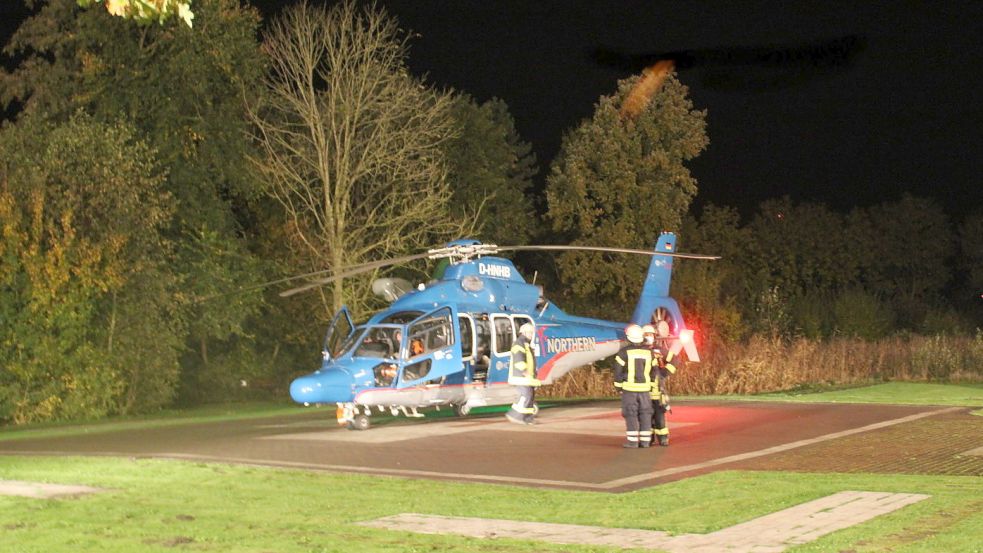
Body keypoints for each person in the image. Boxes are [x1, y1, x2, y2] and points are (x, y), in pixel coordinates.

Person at [613, 324, 654, 448]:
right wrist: (651, 385)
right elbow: (653, 371)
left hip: (630, 390)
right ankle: (645, 441)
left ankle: (633, 441)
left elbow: (618, 371)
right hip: (645, 390)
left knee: (631, 414)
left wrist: (619, 387)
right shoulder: (649, 352)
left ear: (628, 337)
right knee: (646, 413)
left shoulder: (623, 353)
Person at [644, 322, 677, 446]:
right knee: (646, 417)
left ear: (654, 335)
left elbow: (675, 359)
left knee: (659, 416)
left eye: (650, 334)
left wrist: (665, 372)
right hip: (644, 392)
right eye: (646, 334)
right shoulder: (640, 351)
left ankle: (663, 438)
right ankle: (649, 438)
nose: (648, 337)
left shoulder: (660, 350)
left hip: (658, 391)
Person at [505, 322, 540, 425]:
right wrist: (524, 371)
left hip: (527, 377)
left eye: (532, 332)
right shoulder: (519, 344)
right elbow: (518, 359)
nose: (531, 334)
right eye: (529, 332)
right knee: (526, 396)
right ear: (523, 332)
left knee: (530, 397)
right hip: (520, 377)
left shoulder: (526, 344)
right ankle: (514, 415)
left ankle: (528, 418)